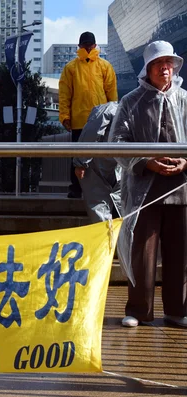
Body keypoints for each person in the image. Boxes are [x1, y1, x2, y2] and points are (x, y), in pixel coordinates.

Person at [109, 40, 187, 328]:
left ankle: (177, 310)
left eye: (169, 63)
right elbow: (117, 143)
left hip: (180, 188)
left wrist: (185, 162)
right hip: (145, 189)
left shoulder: (184, 100)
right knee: (143, 250)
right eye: (159, 63)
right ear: (148, 69)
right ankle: (139, 310)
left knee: (179, 250)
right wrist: (146, 161)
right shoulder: (131, 102)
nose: (165, 68)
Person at [59, 32, 117, 199]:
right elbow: (64, 94)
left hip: (102, 120)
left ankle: (103, 189)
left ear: (95, 44)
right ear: (79, 46)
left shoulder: (105, 66)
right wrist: (64, 116)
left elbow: (111, 93)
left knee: (101, 158)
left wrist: (114, 116)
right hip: (79, 120)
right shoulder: (71, 68)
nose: (87, 47)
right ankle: (76, 188)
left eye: (90, 45)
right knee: (78, 157)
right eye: (85, 45)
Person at [73, 102, 121, 223]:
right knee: (105, 205)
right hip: (107, 165)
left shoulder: (110, 109)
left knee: (100, 205)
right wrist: (81, 161)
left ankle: (109, 238)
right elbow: (91, 132)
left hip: (110, 165)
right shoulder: (111, 109)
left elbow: (90, 132)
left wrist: (80, 161)